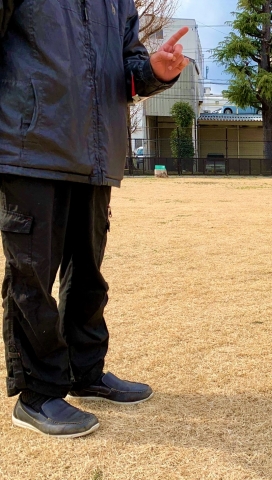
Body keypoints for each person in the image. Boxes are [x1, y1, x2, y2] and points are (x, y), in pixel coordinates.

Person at [0, 0, 189, 437]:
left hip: (96, 152)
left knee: (88, 273)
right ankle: (37, 393)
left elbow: (130, 67)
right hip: (30, 145)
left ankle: (85, 373)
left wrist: (156, 72)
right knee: (32, 275)